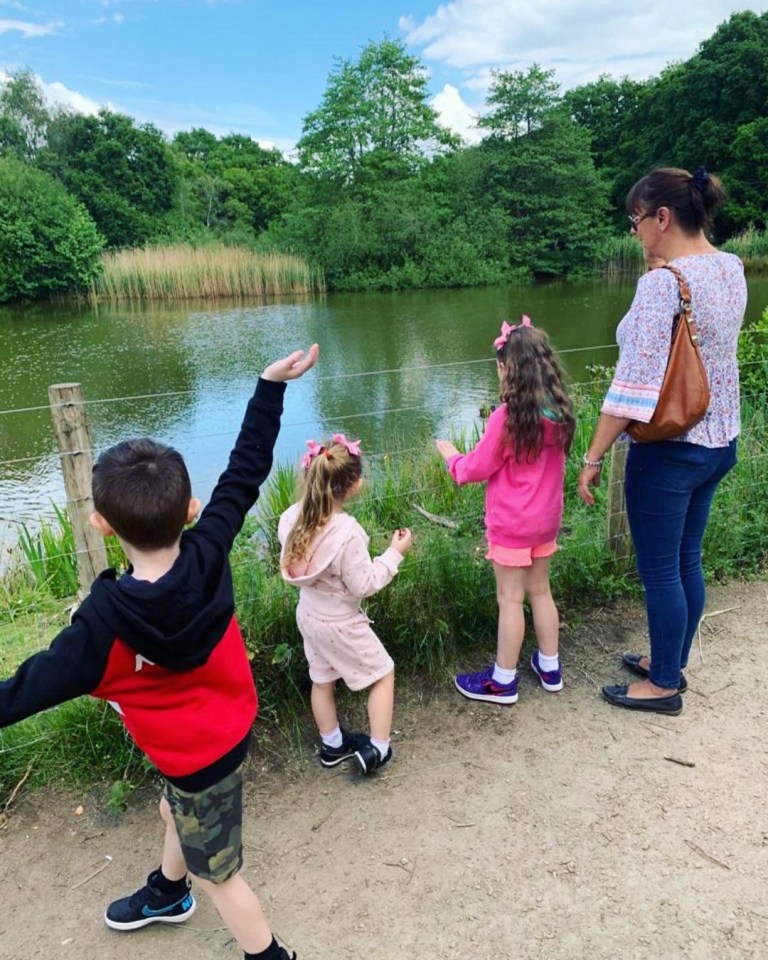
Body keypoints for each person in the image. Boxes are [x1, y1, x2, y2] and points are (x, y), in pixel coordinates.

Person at [0, 344, 320, 960]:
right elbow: (246, 469)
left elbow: (20, 692)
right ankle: (169, 892)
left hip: (195, 756)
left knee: (221, 875)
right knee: (180, 812)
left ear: (101, 524)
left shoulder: (100, 628)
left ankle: (269, 952)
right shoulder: (210, 548)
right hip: (225, 731)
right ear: (192, 510)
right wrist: (267, 385)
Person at [578, 166, 746, 716]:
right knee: (686, 561)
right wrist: (653, 277)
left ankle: (663, 686)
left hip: (669, 450)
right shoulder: (729, 268)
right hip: (719, 441)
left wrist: (593, 456)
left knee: (659, 572)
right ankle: (670, 661)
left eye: (636, 219)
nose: (634, 231)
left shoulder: (663, 285)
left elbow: (630, 389)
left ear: (662, 218)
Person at [436, 316, 575, 705]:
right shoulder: (559, 412)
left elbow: (477, 467)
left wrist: (452, 459)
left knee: (510, 600)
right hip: (546, 521)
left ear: (506, 368)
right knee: (541, 591)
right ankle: (550, 667)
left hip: (512, 523)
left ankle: (502, 681)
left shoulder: (509, 417)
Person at [278, 435, 412, 775]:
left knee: (321, 680)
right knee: (382, 674)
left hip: (309, 614)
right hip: (341, 622)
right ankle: (378, 749)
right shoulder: (348, 533)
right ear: (353, 486)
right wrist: (394, 554)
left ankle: (332, 745)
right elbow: (363, 584)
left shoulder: (291, 518)